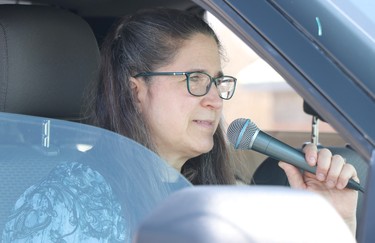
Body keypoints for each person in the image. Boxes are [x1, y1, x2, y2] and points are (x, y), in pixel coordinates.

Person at [89, 8, 359, 235]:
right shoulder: (82, 197)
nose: (216, 100)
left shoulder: (225, 196)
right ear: (136, 92)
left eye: (217, 82)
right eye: (195, 79)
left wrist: (336, 224)